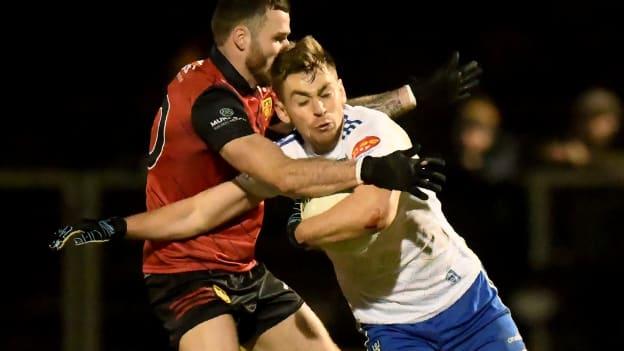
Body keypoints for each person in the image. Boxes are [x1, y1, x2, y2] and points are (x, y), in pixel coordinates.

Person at [50, 1, 481, 350]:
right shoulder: (211, 102)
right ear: (241, 38)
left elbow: (323, 117)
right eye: (278, 36)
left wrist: (413, 96)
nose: (287, 44)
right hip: (186, 268)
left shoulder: (253, 90)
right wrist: (368, 168)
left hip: (242, 266)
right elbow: (282, 175)